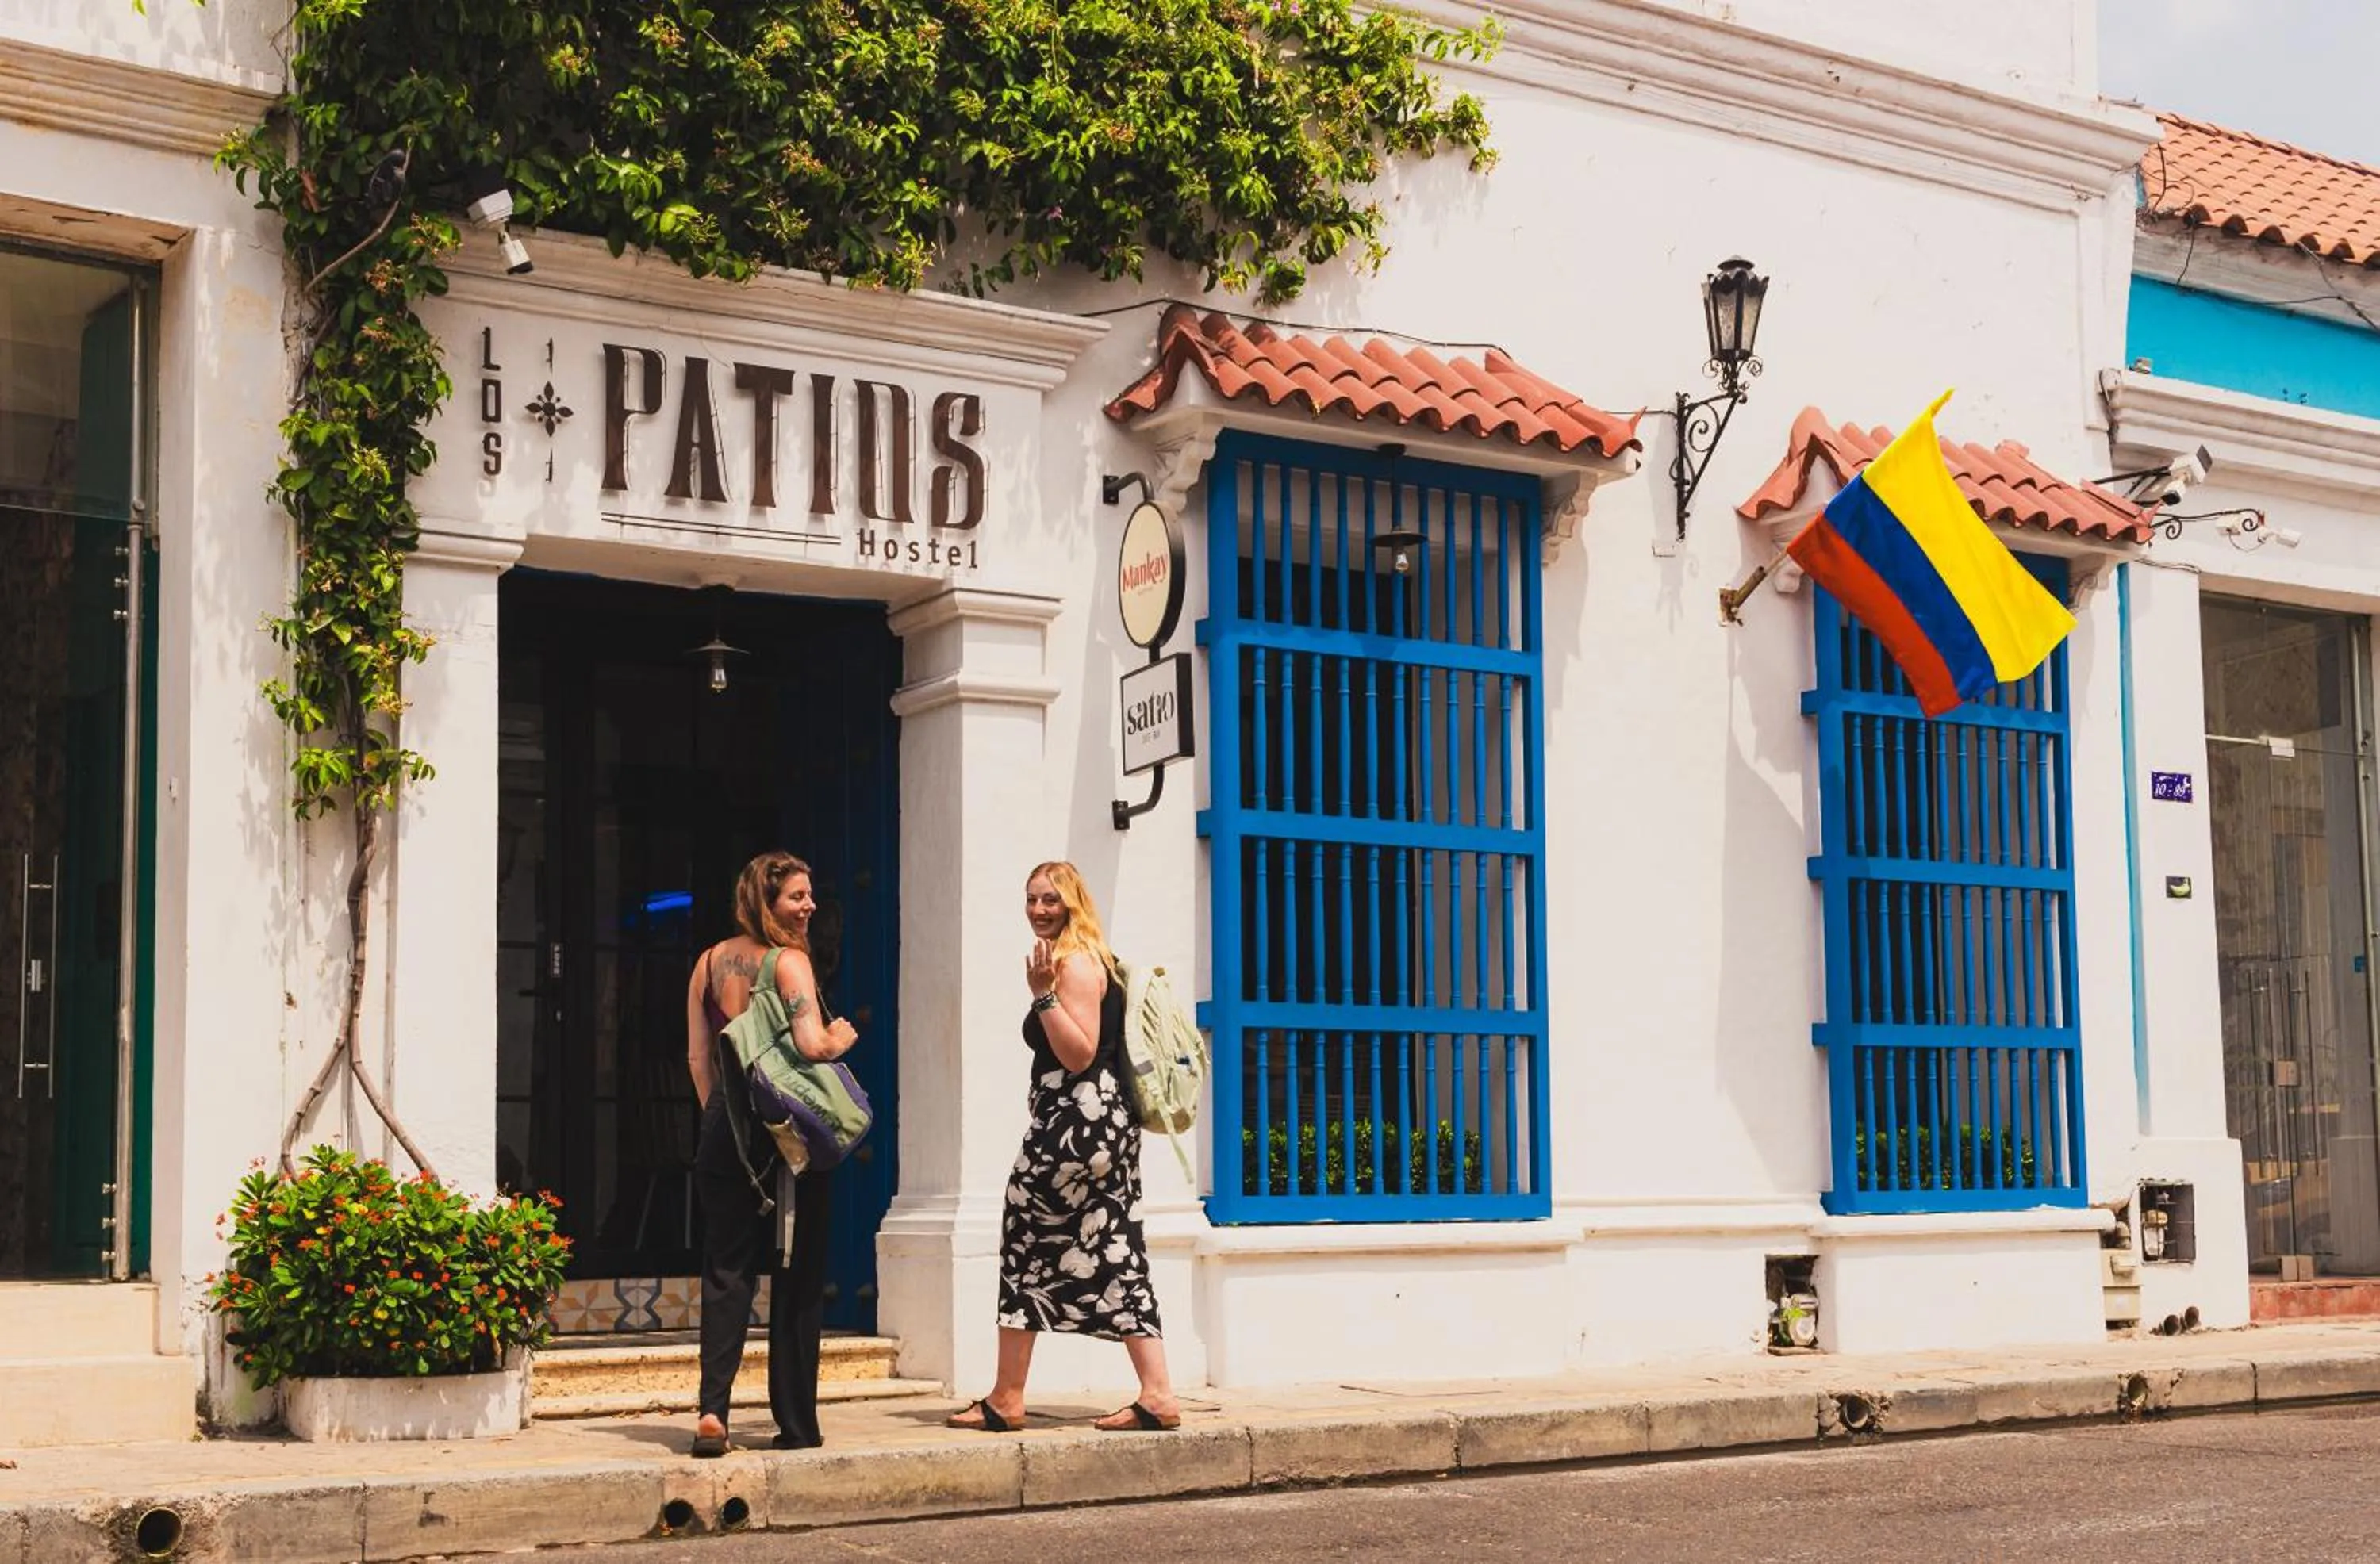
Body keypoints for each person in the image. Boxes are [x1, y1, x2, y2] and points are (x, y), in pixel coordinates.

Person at [948, 861, 1182, 1433]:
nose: (1038, 909)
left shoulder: (1074, 964)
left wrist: (1042, 997)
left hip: (1076, 1125)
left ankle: (1007, 1398)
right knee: (1117, 1248)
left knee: (1025, 1236)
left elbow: (1079, 1054)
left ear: (1075, 902)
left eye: (1051, 899)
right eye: (1031, 899)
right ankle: (1158, 1394)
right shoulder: (1093, 958)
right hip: (1105, 1126)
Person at [683, 851, 858, 1456]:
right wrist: (840, 1037)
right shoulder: (789, 963)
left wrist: (723, 1119)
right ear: (767, 902)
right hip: (788, 1135)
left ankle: (713, 1412)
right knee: (798, 1273)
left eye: (809, 896)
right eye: (796, 898)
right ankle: (796, 1423)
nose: (808, 907)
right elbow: (811, 1044)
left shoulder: (707, 964)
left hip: (723, 1130)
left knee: (726, 1271)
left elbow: (699, 1059)